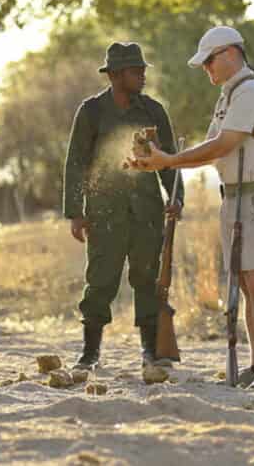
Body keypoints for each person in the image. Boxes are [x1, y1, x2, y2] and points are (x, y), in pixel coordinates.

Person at [131, 26, 254, 389]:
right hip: (235, 195)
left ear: (231, 53)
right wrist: (163, 161)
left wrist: (168, 162)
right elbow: (218, 145)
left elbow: (222, 144)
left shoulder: (250, 92)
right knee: (247, 283)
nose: (206, 69)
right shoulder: (229, 96)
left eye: (210, 60)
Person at [63, 42, 183, 369]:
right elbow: (76, 163)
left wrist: (176, 198)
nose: (142, 76)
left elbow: (169, 159)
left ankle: (150, 351)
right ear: (115, 75)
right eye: (135, 71)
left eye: (143, 70)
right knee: (101, 280)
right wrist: (75, 212)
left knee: (147, 279)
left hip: (147, 213)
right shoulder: (91, 112)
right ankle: (90, 354)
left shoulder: (154, 111)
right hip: (104, 213)